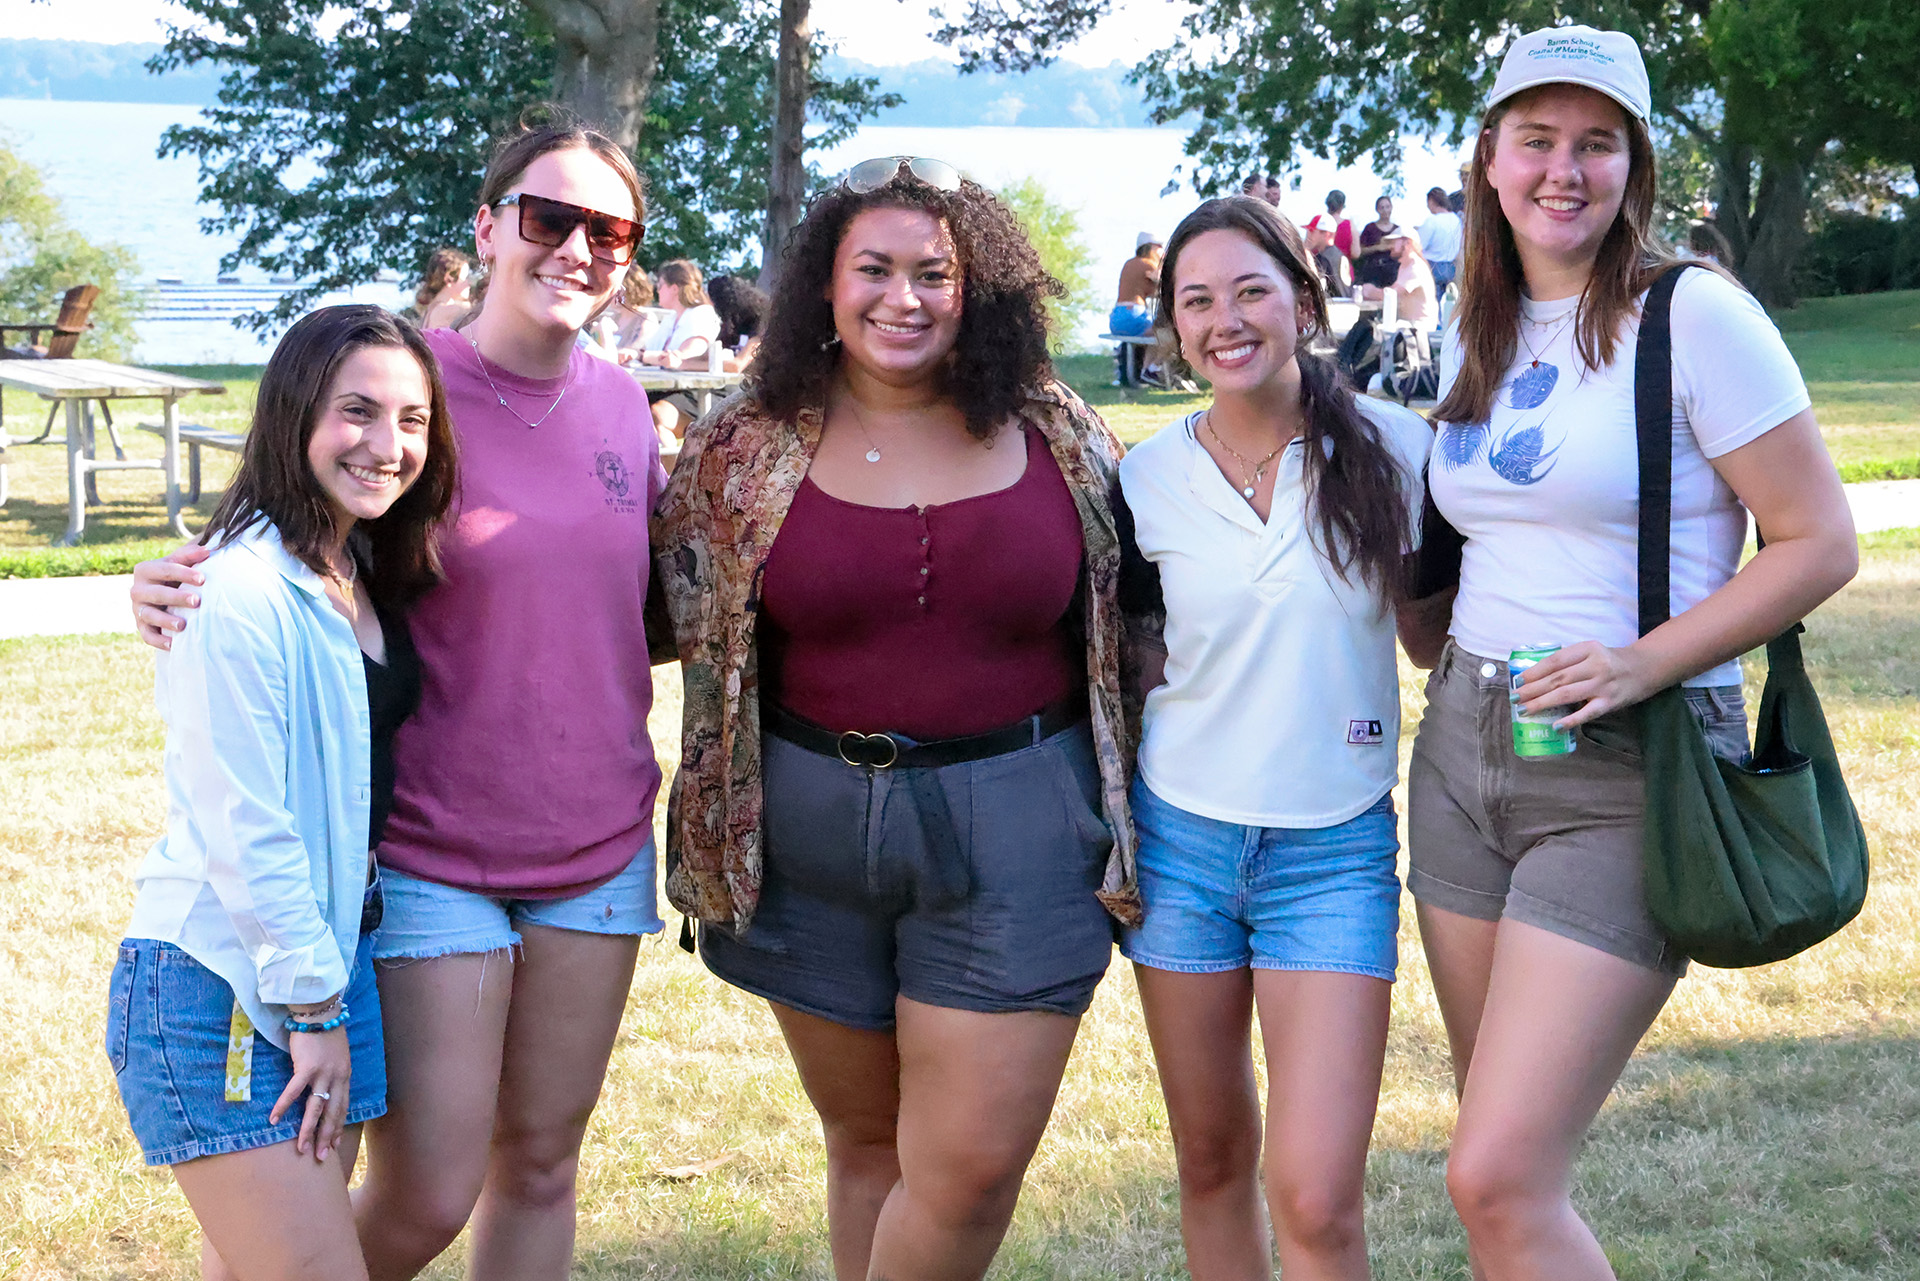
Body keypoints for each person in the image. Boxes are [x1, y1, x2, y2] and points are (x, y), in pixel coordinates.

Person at [130, 117, 666, 1281]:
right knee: (427, 1190)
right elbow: (287, 533)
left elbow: (643, 599)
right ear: (488, 228)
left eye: (609, 228)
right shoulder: (409, 386)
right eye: (548, 217)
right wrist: (169, 578)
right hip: (432, 851)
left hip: (603, 843)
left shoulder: (626, 407)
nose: (577, 247)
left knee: (543, 1165)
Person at [1399, 26, 1857, 1278]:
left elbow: (1819, 541)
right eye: (1536, 139)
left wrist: (1648, 662)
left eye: (1595, 143)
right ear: (1488, 159)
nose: (1564, 169)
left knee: (1495, 1176)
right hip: (1461, 755)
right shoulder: (1470, 321)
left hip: (1625, 763)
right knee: (1505, 1174)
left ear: (1634, 165)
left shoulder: (1694, 316)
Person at [651, 154, 1144, 1281]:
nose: (902, 298)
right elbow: (633, 596)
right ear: (826, 286)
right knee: (866, 1142)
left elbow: (1151, 605)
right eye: (872, 269)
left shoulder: (1059, 433)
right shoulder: (746, 443)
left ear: (984, 289)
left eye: (935, 272)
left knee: (966, 1170)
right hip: (806, 831)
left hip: (1019, 826)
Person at [108, 304, 456, 1281]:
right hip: (228, 984)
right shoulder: (238, 589)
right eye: (357, 412)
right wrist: (314, 1010)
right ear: (295, 411)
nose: (387, 446)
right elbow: (245, 826)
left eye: (413, 419)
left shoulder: (354, 563)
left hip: (326, 959)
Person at [1119, 196, 1430, 1279]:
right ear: (1171, 325)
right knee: (1210, 1161)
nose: (1225, 320)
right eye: (1196, 300)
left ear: (1304, 299)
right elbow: (1139, 651)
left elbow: (1447, 640)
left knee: (1316, 1197)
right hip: (1181, 848)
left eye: (1251, 290)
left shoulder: (1399, 448)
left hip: (1333, 850)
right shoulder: (1143, 479)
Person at [633, 258, 724, 438]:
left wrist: (644, 356)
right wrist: (636, 354)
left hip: (697, 391)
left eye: (660, 285)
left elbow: (680, 357)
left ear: (674, 288)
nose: (656, 290)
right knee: (622, 405)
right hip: (670, 387)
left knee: (655, 417)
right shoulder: (671, 318)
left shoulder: (702, 314)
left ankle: (668, 466)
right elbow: (649, 352)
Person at [1361, 230, 1437, 329]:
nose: (1389, 246)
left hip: (1419, 327)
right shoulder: (1406, 265)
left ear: (1407, 243)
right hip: (1409, 324)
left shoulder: (1415, 267)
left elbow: (1392, 295)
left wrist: (1370, 291)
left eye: (1394, 241)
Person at [707, 272, 769, 373]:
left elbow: (737, 366)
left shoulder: (762, 323)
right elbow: (710, 355)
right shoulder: (731, 326)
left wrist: (685, 365)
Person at [403, 248, 471, 329]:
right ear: (449, 278)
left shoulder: (430, 310)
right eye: (465, 277)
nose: (468, 284)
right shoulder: (452, 310)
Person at [1417, 186, 1463, 291]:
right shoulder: (1456, 220)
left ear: (1431, 201)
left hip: (1433, 266)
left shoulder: (1432, 221)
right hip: (1450, 267)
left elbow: (1419, 245)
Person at [1353, 195, 1401, 290]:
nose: (1385, 210)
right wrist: (1377, 247)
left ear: (1391, 208)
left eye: (1387, 207)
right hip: (1373, 271)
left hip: (1392, 271)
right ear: (1377, 210)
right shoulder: (1370, 228)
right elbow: (1361, 251)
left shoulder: (1397, 229)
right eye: (1382, 207)